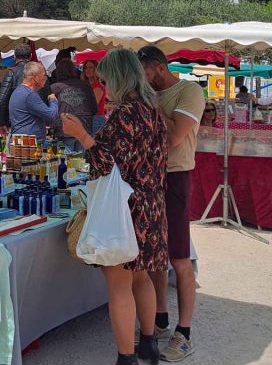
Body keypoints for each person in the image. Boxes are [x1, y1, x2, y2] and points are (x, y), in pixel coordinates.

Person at [61, 49, 168, 365]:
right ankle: (149, 343)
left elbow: (106, 163)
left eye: (106, 80)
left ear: (119, 78)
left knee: (120, 285)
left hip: (125, 209)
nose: (104, 86)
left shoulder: (125, 114)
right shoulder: (152, 111)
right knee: (141, 277)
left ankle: (126, 357)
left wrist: (81, 135)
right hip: (150, 205)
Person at [138, 45, 204, 363]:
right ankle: (160, 318)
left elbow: (175, 136)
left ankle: (185, 333)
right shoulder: (149, 93)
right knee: (154, 255)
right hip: (149, 179)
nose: (142, 81)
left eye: (145, 74)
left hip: (175, 177)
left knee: (179, 257)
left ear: (160, 68)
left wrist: (149, 105)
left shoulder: (189, 91)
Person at [51, 58, 97, 153]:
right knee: (81, 163)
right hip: (84, 128)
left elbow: (51, 111)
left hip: (65, 129)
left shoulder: (54, 87)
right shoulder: (85, 85)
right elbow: (94, 108)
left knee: (65, 162)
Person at [8, 62, 58, 142]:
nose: (46, 78)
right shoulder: (29, 95)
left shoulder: (19, 91)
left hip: (23, 139)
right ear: (35, 77)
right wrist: (53, 100)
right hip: (29, 143)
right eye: (44, 75)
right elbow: (51, 115)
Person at [0, 43, 33, 135]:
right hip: (36, 122)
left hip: (16, 122)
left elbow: (1, 100)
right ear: (31, 56)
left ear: (14, 57)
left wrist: (1, 123)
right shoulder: (39, 72)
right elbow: (48, 97)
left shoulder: (11, 73)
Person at [82, 59, 108, 134]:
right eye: (86, 68)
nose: (88, 70)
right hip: (89, 119)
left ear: (96, 69)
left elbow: (91, 106)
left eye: (91, 67)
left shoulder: (98, 86)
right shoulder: (87, 85)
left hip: (96, 119)